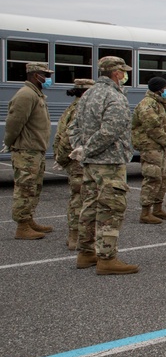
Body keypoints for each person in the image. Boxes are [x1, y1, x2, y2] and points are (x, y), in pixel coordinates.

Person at [69, 56, 138, 274]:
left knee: (89, 206)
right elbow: (111, 131)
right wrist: (88, 149)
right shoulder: (113, 96)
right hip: (109, 162)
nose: (126, 76)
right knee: (111, 208)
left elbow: (74, 126)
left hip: (90, 163)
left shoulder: (88, 94)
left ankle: (86, 253)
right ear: (117, 73)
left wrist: (81, 149)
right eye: (124, 72)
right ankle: (107, 258)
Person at [5, 61, 54, 240]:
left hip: (35, 150)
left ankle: (29, 219)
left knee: (34, 187)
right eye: (46, 75)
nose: (48, 79)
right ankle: (22, 226)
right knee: (25, 188)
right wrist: (9, 142)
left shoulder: (36, 94)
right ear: (36, 75)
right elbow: (14, 122)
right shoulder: (26, 95)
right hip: (26, 150)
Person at [53, 78, 94, 248]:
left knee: (78, 198)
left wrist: (61, 158)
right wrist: (64, 158)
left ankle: (76, 236)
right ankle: (76, 237)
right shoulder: (82, 109)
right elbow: (67, 138)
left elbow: (59, 136)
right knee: (81, 198)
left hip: (76, 159)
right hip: (79, 160)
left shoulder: (73, 107)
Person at [131, 76, 166, 224]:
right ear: (159, 89)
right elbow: (153, 128)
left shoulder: (160, 103)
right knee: (153, 177)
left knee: (163, 177)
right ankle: (145, 212)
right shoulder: (147, 104)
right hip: (151, 147)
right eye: (165, 88)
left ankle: (157, 208)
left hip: (159, 147)